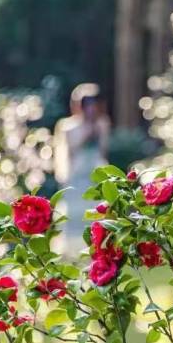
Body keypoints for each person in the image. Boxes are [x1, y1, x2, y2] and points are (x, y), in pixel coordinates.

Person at [54, 84, 111, 253]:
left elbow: (103, 149)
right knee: (74, 213)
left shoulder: (102, 124)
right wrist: (87, 132)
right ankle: (71, 249)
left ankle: (97, 245)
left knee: (96, 210)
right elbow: (69, 150)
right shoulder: (67, 126)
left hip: (94, 171)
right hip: (76, 172)